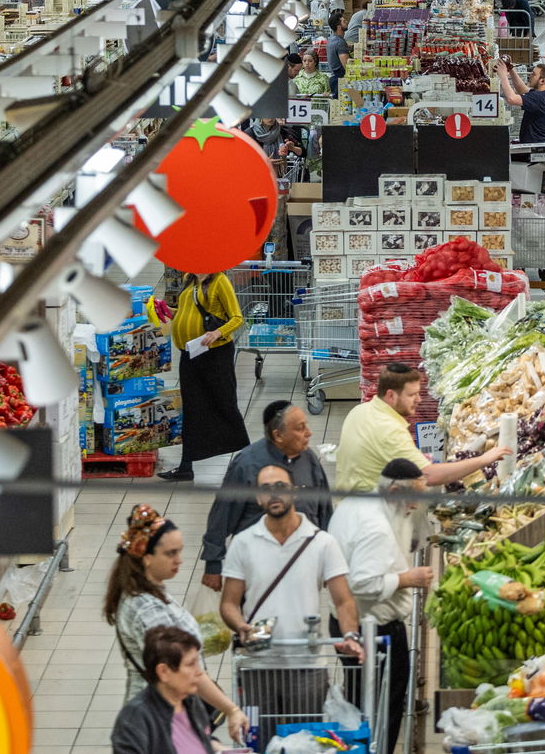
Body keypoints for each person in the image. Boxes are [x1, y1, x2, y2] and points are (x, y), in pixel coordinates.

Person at [220, 464, 364, 750]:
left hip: (306, 667)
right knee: (259, 743)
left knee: (305, 744)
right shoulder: (243, 543)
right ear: (258, 498)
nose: (274, 495)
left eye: (281, 488)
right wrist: (240, 626)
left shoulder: (322, 543)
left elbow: (343, 599)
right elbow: (228, 603)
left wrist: (350, 636)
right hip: (256, 665)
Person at [103, 503, 250, 740]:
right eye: (171, 553)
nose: (179, 560)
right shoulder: (146, 609)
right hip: (160, 721)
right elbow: (184, 670)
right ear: (147, 558)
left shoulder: (151, 593)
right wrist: (230, 709)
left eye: (179, 551)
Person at [329, 458, 434, 754]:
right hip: (373, 632)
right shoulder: (376, 526)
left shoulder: (358, 502)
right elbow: (362, 582)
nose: (415, 505)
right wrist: (407, 578)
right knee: (382, 707)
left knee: (361, 703)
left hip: (344, 623)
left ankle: (361, 747)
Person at [200, 400, 332, 592]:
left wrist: (328, 559)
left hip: (303, 563)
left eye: (307, 426)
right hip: (258, 566)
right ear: (278, 435)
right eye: (300, 428)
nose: (308, 433)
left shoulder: (308, 459)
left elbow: (324, 509)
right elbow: (222, 514)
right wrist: (213, 563)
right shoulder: (247, 464)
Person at [336, 363, 510, 491]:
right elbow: (429, 475)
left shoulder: (359, 411)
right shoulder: (389, 429)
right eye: (412, 395)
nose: (419, 400)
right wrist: (483, 460)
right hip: (373, 518)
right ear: (390, 395)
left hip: (350, 505)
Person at [158, 271, 249, 481]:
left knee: (225, 404)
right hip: (190, 354)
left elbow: (237, 318)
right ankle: (185, 467)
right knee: (191, 407)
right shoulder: (189, 279)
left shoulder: (220, 281)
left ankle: (250, 460)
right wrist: (167, 310)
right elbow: (187, 313)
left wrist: (217, 333)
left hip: (215, 355)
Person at [111, 626, 226, 754]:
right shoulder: (136, 718)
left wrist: (217, 747)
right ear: (164, 672)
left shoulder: (191, 702)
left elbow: (196, 740)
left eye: (197, 662)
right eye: (190, 664)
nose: (199, 672)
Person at [496, 60, 545, 145]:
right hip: (541, 145)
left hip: (536, 149)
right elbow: (523, 90)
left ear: (542, 81)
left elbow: (511, 99)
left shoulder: (539, 98)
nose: (530, 76)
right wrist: (511, 69)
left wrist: (503, 76)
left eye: (533, 74)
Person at [325, 11, 350, 96]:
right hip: (340, 81)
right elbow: (347, 66)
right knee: (355, 103)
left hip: (334, 79)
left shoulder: (331, 39)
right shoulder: (340, 42)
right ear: (339, 27)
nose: (346, 22)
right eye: (344, 21)